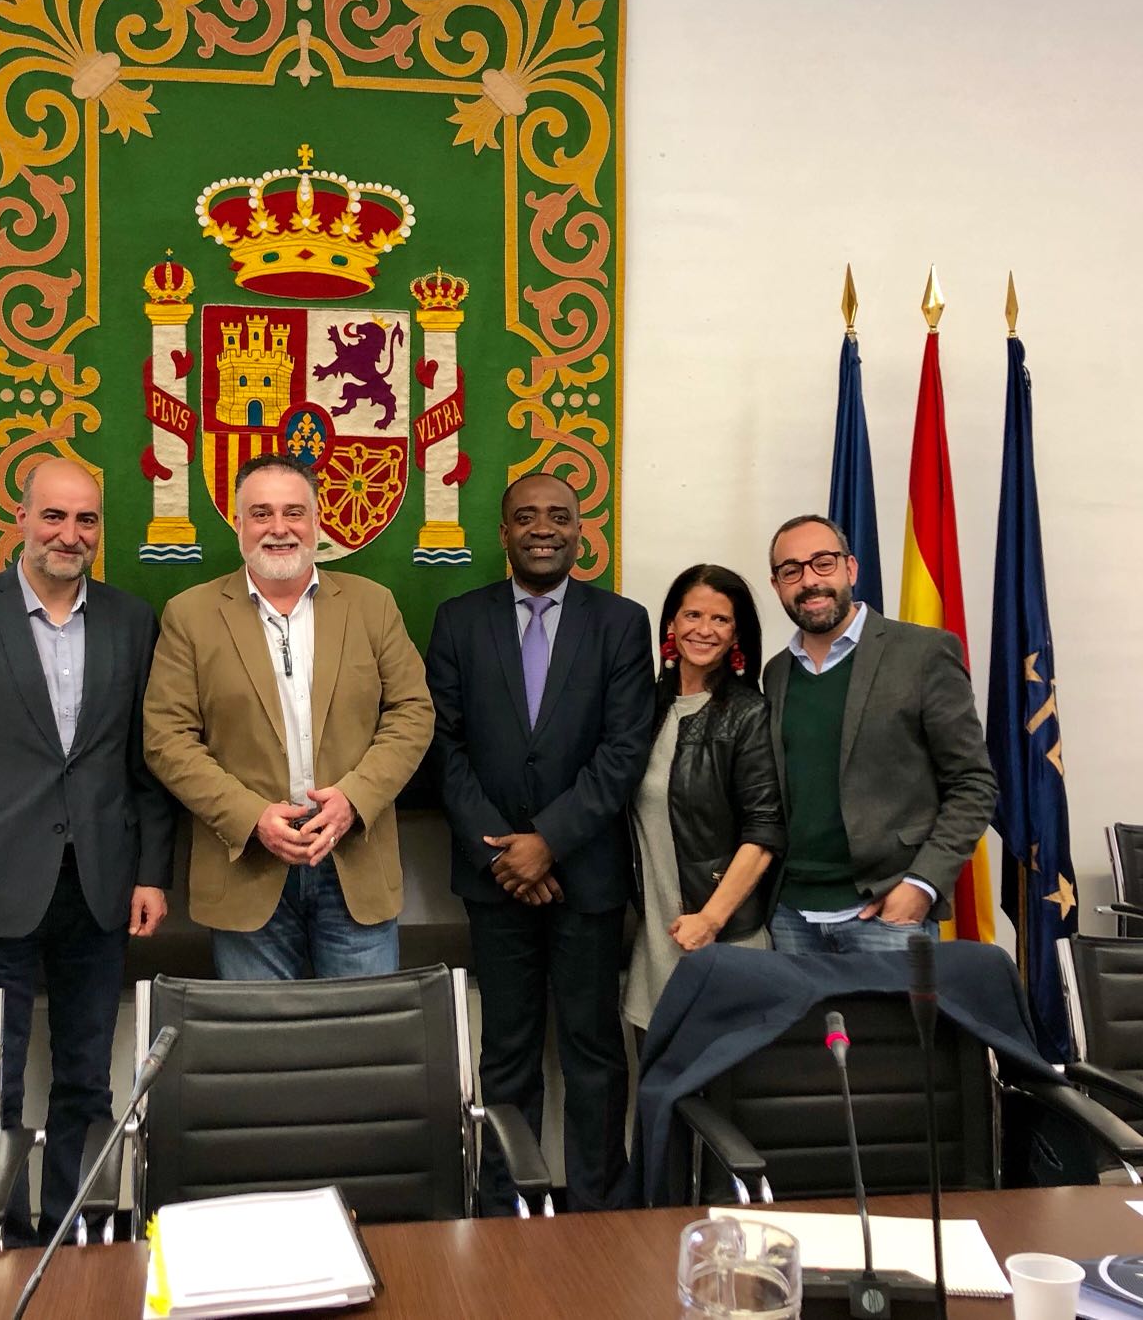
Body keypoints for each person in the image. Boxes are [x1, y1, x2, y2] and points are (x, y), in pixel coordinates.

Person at [0, 458, 173, 1246]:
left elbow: (149, 763)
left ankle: (71, 1232)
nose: (70, 534)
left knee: (86, 1077)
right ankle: (0, 1237)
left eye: (86, 520)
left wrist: (152, 873)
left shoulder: (132, 619)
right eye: (53, 516)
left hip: (99, 885)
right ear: (19, 519)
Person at [425, 472, 653, 1213]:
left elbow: (625, 749)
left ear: (581, 530)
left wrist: (547, 841)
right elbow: (443, 749)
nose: (543, 528)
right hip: (494, 881)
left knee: (592, 1050)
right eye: (526, 517)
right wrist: (503, 853)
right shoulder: (458, 621)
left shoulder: (621, 622)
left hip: (586, 876)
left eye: (559, 515)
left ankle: (598, 1206)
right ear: (504, 532)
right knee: (507, 1052)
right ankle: (506, 1206)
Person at [143, 454, 433, 980]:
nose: (279, 528)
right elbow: (167, 738)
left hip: (354, 865)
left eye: (294, 512)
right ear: (238, 524)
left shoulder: (373, 605)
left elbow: (412, 712)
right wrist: (251, 816)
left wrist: (353, 800)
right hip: (246, 871)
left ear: (317, 521)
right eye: (261, 513)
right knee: (261, 1032)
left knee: (363, 1028)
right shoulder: (190, 615)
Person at [762, 513, 997, 955]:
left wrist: (923, 884)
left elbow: (973, 783)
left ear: (850, 568)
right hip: (792, 917)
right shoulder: (776, 673)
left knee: (899, 1008)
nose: (809, 580)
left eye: (823, 563)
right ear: (777, 586)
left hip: (888, 915)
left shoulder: (923, 654)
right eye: (791, 570)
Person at [621, 564, 783, 1035]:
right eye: (693, 615)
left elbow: (763, 833)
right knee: (656, 1076)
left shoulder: (749, 715)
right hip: (655, 942)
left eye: (720, 619)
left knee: (725, 1079)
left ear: (737, 635)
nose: (704, 630)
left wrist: (710, 919)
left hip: (723, 939)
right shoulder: (644, 707)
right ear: (671, 623)